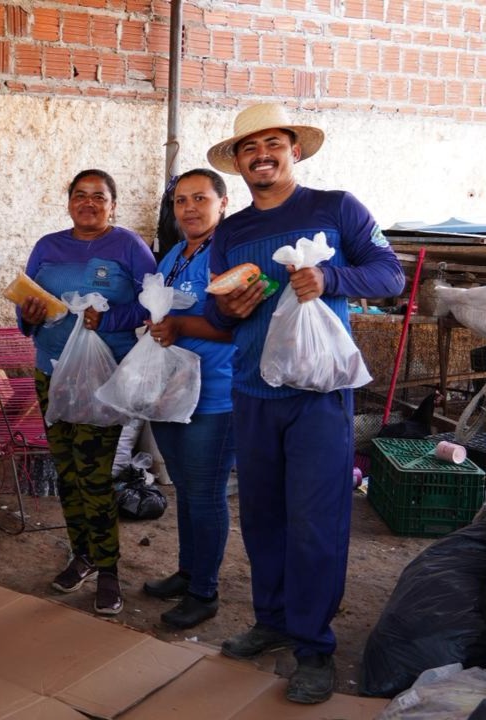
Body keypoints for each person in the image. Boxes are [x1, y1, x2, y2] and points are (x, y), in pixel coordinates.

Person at [202, 103, 405, 704]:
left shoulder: (336, 208)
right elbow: (218, 312)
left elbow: (390, 275)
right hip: (252, 391)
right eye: (249, 147)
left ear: (294, 150)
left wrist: (331, 279)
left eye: (273, 143)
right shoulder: (231, 231)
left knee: (316, 523)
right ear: (238, 162)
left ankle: (313, 646)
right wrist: (228, 308)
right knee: (263, 516)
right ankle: (272, 620)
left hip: (319, 395)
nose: (261, 154)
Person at [18, 169, 155, 616]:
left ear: (113, 205)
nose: (89, 203)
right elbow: (26, 307)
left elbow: (154, 303)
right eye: (80, 195)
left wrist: (110, 319)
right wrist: (29, 315)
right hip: (51, 373)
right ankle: (83, 555)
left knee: (94, 475)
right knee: (67, 472)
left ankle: (108, 568)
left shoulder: (129, 246)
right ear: (69, 202)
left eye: (99, 196)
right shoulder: (47, 246)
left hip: (103, 377)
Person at [142, 169, 235, 629]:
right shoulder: (176, 253)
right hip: (171, 388)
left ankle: (205, 592)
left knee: (205, 491)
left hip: (214, 392)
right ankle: (187, 571)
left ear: (223, 203)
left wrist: (177, 326)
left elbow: (235, 324)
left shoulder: (229, 253)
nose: (190, 208)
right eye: (181, 201)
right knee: (184, 486)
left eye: (200, 198)